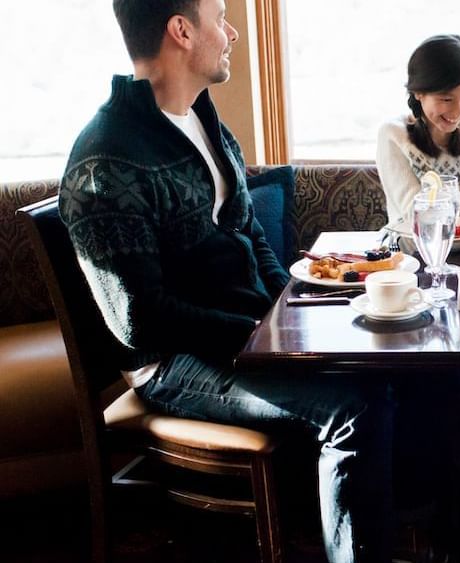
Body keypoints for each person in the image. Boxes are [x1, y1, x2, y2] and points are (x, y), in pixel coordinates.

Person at [58, 1, 392, 561]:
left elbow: (248, 229)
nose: (232, 30)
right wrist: (261, 337)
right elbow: (139, 321)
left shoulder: (199, 117)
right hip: (172, 362)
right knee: (352, 405)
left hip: (244, 335)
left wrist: (287, 304)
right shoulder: (106, 161)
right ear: (181, 30)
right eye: (220, 15)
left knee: (385, 360)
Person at [376, 34, 460, 228]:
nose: (458, 112)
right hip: (408, 250)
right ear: (418, 93)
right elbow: (414, 213)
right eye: (446, 99)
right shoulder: (393, 134)